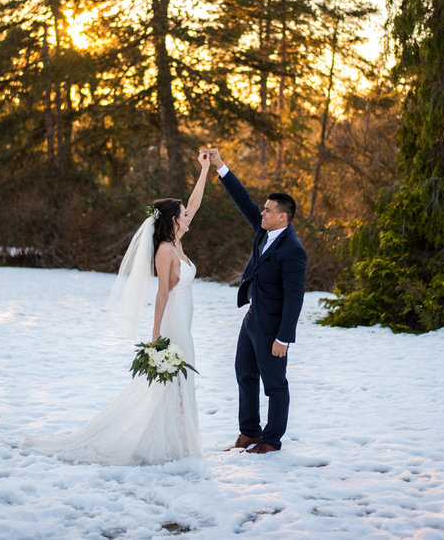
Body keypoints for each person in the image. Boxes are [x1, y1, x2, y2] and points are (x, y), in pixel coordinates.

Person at [23, 151, 211, 464]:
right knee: (174, 384)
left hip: (185, 323)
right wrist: (155, 339)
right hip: (172, 325)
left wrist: (204, 169)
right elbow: (162, 293)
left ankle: (179, 442)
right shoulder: (165, 250)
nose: (189, 215)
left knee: (181, 385)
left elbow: (194, 203)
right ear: (175, 220)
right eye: (184, 214)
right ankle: (172, 444)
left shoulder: (178, 240)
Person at [204, 148, 307, 454]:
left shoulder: (293, 249)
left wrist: (283, 338)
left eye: (267, 210)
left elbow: (295, 297)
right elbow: (243, 200)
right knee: (244, 374)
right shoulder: (263, 231)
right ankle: (249, 432)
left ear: (282, 216)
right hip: (251, 320)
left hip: (273, 327)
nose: (261, 213)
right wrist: (220, 166)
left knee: (275, 385)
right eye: (262, 210)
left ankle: (271, 440)